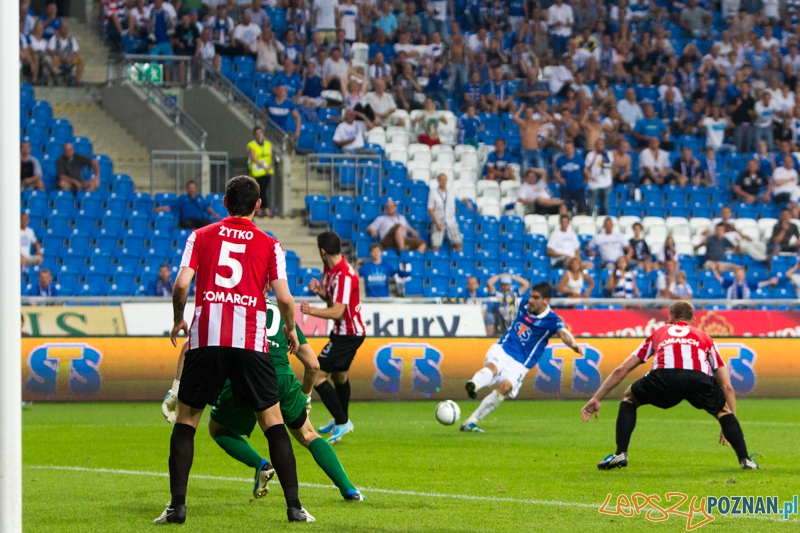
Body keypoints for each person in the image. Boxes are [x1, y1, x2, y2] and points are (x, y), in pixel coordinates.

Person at [155, 176, 312, 524]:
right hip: (250, 344)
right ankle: (295, 508)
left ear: (224, 202)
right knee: (272, 422)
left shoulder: (199, 236)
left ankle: (177, 508)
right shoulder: (271, 245)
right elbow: (284, 298)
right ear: (258, 205)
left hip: (207, 339)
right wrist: (289, 328)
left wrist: (179, 319)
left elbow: (181, 284)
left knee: (187, 421)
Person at [162, 300, 364, 503]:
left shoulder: (232, 303)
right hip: (283, 377)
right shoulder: (280, 312)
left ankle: (260, 464)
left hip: (245, 377)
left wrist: (175, 390)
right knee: (308, 434)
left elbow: (190, 346)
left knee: (218, 429)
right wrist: (306, 396)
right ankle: (349, 490)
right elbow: (313, 365)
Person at [580, 301, 759, 471]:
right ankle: (745, 460)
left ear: (670, 319)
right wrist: (729, 423)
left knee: (629, 398)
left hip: (664, 377)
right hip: (697, 378)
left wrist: (597, 397)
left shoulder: (659, 333)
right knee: (723, 411)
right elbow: (727, 386)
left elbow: (623, 369)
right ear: (693, 321)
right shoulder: (705, 338)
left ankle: (620, 454)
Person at [462, 282, 584, 432]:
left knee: (505, 387)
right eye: (531, 296)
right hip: (504, 348)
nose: (531, 300)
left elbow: (563, 333)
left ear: (546, 300)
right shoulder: (524, 305)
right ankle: (474, 384)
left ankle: (470, 421)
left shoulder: (552, 320)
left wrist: (573, 345)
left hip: (521, 363)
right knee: (492, 367)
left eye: (536, 298)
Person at [300, 231, 366, 444]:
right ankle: (341, 421)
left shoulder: (345, 275)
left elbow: (337, 311)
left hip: (348, 334)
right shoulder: (330, 270)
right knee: (340, 377)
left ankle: (342, 420)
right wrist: (321, 292)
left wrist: (311, 311)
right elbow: (333, 301)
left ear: (322, 251)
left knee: (318, 375)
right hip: (344, 332)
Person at [428, 173, 470, 252]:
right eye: (441, 180)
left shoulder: (451, 190)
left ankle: (458, 261)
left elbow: (461, 197)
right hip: (438, 221)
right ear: (438, 181)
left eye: (445, 179)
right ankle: (435, 262)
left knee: (458, 242)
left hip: (451, 220)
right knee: (435, 245)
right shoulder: (433, 192)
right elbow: (430, 209)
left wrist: (468, 204)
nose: (443, 181)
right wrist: (436, 223)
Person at [153, 180, 221, 229]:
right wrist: (160, 208)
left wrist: (215, 214)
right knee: (188, 224)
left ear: (196, 188)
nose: (191, 189)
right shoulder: (182, 199)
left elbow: (207, 208)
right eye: (190, 188)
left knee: (207, 223)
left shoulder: (200, 198)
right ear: (187, 189)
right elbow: (171, 207)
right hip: (187, 220)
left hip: (198, 219)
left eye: (193, 188)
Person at [484, 273, 531, 337]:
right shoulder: (496, 293)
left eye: (507, 284)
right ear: (500, 285)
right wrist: (499, 276)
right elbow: (489, 283)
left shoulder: (515, 293)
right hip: (499, 315)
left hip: (512, 314)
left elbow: (526, 284)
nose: (505, 286)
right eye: (503, 284)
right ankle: (489, 338)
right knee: (489, 317)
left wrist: (512, 276)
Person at [247, 127, 273, 217]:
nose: (259, 135)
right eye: (257, 133)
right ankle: (265, 209)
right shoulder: (251, 145)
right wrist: (263, 166)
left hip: (266, 172)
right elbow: (253, 157)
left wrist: (268, 167)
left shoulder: (268, 144)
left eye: (260, 133)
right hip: (257, 171)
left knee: (263, 190)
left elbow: (270, 157)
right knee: (260, 190)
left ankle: (260, 210)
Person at [584, 138, 613, 216]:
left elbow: (610, 169)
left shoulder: (608, 154)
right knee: (590, 205)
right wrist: (590, 177)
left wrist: (611, 183)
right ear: (595, 146)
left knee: (605, 206)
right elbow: (586, 169)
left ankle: (603, 220)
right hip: (594, 184)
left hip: (605, 184)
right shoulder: (590, 155)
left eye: (601, 144)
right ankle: (589, 219)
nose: (599, 146)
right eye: (597, 144)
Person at [514, 105, 545, 171]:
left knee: (542, 170)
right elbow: (515, 118)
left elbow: (550, 119)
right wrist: (521, 108)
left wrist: (541, 111)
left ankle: (543, 181)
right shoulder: (523, 122)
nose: (528, 113)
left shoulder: (536, 122)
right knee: (525, 171)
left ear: (533, 113)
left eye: (530, 112)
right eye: (527, 112)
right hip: (526, 150)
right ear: (525, 113)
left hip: (535, 149)